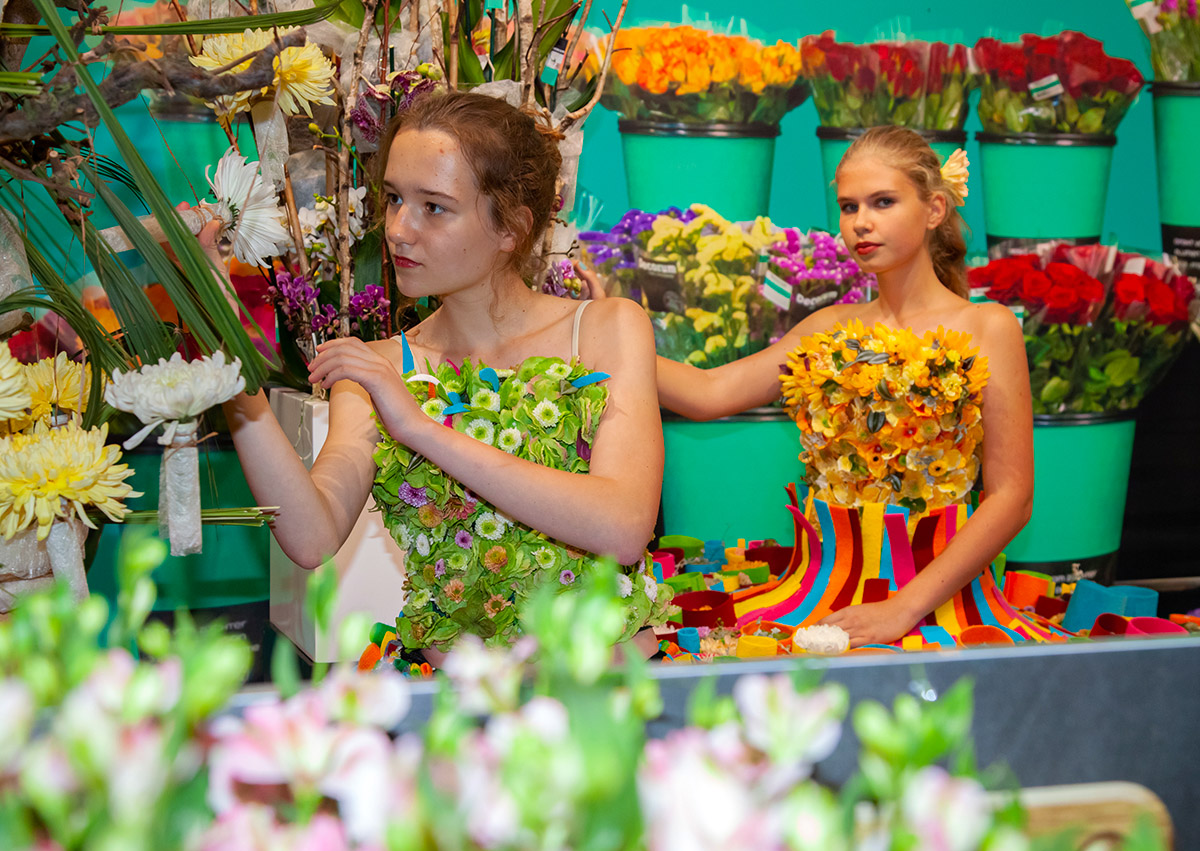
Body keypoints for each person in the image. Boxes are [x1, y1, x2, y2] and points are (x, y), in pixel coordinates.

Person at [218, 90, 670, 662]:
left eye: (434, 206)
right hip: (460, 716)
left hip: (606, 698)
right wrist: (229, 372)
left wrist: (422, 430)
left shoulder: (605, 328)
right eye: (393, 199)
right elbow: (311, 536)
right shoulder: (377, 368)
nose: (399, 229)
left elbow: (623, 525)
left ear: (511, 226)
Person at [651, 126, 1059, 650]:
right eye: (848, 207)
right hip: (822, 602)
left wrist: (902, 609)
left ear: (935, 209)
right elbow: (706, 394)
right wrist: (599, 328)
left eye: (883, 202)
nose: (860, 222)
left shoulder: (988, 326)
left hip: (947, 609)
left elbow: (1013, 497)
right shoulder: (827, 329)